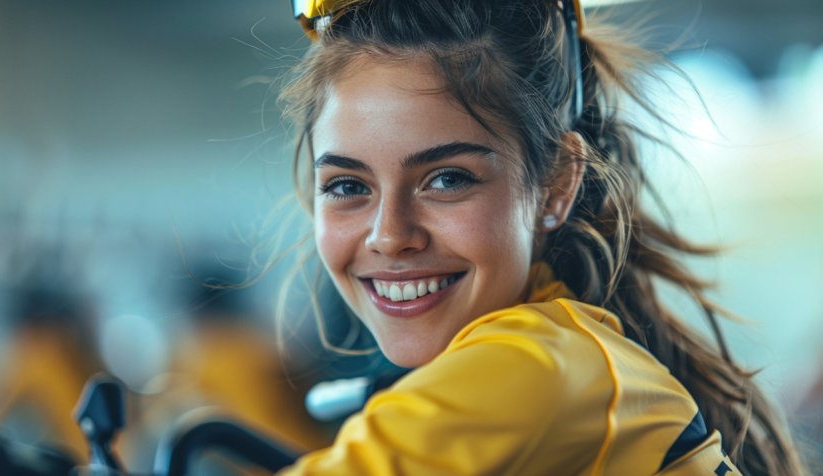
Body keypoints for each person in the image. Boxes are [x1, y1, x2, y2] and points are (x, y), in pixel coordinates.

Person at [261, 0, 805, 474]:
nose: (389, 236)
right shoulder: (574, 353)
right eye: (348, 185)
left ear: (555, 185)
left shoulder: (539, 366)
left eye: (447, 179)